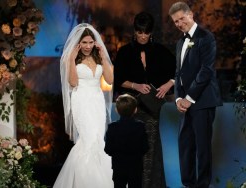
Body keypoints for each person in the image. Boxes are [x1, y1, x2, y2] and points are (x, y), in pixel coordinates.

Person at [113, 11, 176, 188]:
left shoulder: (161, 52)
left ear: (151, 32)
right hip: (131, 107)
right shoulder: (125, 52)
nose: (142, 36)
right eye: (139, 32)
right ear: (134, 31)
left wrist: (166, 86)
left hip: (151, 108)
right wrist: (136, 85)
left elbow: (177, 72)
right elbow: (117, 80)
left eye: (146, 32)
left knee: (150, 150)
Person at [168, 2, 223, 188]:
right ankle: (188, 184)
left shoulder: (206, 37)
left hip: (203, 101)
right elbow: (178, 74)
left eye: (182, 18)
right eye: (176, 21)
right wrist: (177, 98)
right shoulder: (180, 42)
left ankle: (202, 186)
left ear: (191, 15)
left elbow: (206, 71)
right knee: (185, 146)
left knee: (202, 148)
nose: (179, 23)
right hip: (185, 103)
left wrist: (188, 99)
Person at [54, 23, 114, 188]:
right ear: (78, 43)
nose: (88, 46)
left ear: (95, 42)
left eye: (90, 42)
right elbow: (73, 83)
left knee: (98, 140)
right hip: (81, 100)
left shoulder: (98, 57)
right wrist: (72, 60)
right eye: (84, 43)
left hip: (97, 101)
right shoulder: (71, 58)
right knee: (87, 141)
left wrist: (103, 58)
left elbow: (109, 80)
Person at [104, 94, 149, 188]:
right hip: (136, 167)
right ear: (135, 109)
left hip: (118, 167)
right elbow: (145, 147)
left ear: (116, 110)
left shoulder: (112, 127)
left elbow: (108, 149)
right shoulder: (140, 126)